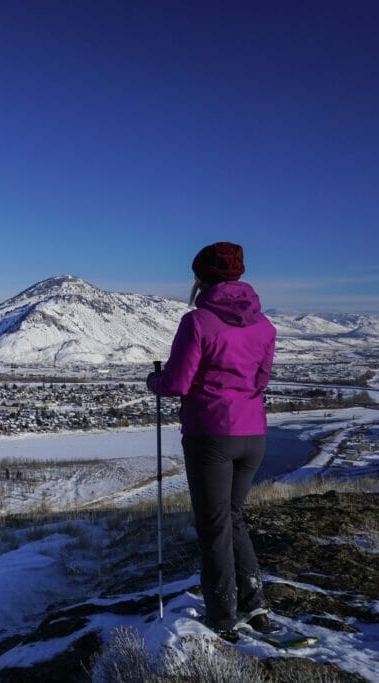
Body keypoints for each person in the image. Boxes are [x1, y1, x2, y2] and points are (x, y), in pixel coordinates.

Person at [147, 241, 278, 642]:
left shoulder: (198, 321)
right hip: (253, 434)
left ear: (201, 276)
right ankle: (254, 601)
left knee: (214, 525)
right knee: (234, 517)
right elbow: (261, 380)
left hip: (210, 434)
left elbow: (177, 382)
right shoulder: (264, 325)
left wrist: (154, 381)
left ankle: (223, 614)